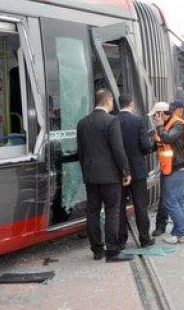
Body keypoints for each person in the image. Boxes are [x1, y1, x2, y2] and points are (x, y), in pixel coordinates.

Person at [77, 88, 132, 262]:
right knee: (112, 212)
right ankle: (113, 251)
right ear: (108, 100)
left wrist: (86, 171)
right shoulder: (111, 121)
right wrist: (126, 171)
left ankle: (97, 251)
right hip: (110, 177)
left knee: (92, 212)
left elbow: (81, 152)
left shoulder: (82, 123)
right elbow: (118, 149)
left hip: (91, 177)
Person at [153, 99, 184, 236]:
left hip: (181, 166)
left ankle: (183, 228)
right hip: (169, 167)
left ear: (180, 109)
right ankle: (169, 228)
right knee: (174, 199)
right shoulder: (168, 124)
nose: (173, 111)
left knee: (178, 199)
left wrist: (183, 146)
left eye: (174, 109)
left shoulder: (183, 124)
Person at [116, 93, 155, 248]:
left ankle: (121, 241)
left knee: (119, 207)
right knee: (140, 206)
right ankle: (145, 239)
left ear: (120, 104)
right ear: (131, 104)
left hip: (119, 171)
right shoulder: (138, 121)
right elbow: (146, 146)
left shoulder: (113, 120)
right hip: (137, 171)